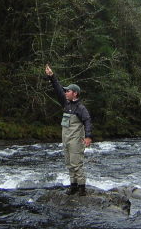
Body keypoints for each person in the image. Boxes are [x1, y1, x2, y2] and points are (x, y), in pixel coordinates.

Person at [45, 64, 93, 196]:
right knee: (69, 164)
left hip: (76, 140)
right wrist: (51, 76)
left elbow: (87, 121)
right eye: (66, 91)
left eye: (68, 91)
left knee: (76, 164)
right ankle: (73, 186)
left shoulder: (81, 108)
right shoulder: (66, 104)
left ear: (75, 93)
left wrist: (88, 137)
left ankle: (82, 189)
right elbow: (57, 89)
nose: (65, 93)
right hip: (65, 139)